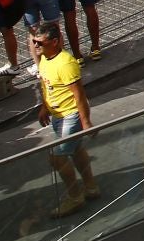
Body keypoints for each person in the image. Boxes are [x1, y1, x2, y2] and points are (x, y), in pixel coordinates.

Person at [32, 21, 98, 217]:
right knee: (77, 150)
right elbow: (47, 85)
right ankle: (91, 187)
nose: (36, 46)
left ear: (54, 42)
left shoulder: (66, 63)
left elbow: (79, 95)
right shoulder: (45, 58)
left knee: (57, 157)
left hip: (71, 115)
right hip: (58, 115)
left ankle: (75, 196)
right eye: (35, 42)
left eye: (40, 43)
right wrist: (45, 107)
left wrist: (85, 122)